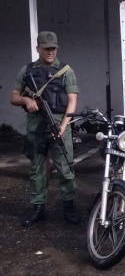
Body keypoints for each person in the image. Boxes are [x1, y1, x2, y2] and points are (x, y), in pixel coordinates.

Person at [10, 31, 80, 226]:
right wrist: (25, 99)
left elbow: (72, 102)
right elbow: (13, 96)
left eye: (53, 48)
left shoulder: (66, 71)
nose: (50, 52)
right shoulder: (27, 71)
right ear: (38, 48)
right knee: (37, 169)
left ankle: (69, 207)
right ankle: (38, 208)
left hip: (59, 126)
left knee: (65, 168)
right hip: (35, 128)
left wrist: (64, 126)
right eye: (46, 48)